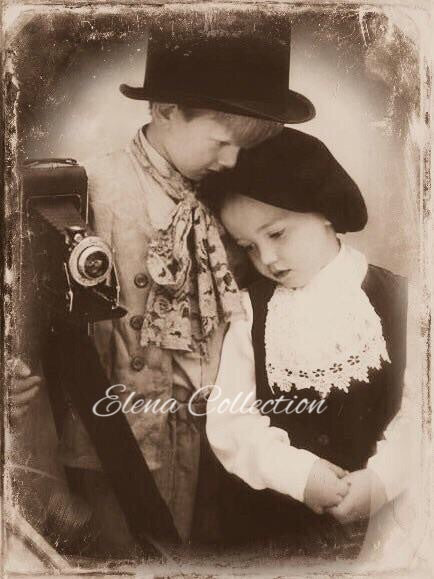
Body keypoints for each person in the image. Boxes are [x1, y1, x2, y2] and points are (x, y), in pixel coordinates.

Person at [12, 17, 315, 559]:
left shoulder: (235, 200)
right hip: (111, 460)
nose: (231, 160)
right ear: (165, 109)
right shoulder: (82, 192)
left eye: (243, 147)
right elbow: (24, 322)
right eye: (221, 142)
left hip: (213, 462)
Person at [203, 128, 410, 558]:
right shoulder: (251, 311)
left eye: (277, 234)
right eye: (248, 247)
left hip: (388, 527)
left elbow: (423, 415)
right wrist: (298, 474)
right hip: (273, 530)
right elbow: (231, 421)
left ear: (325, 214)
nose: (266, 259)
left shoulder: (404, 301)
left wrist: (381, 481)